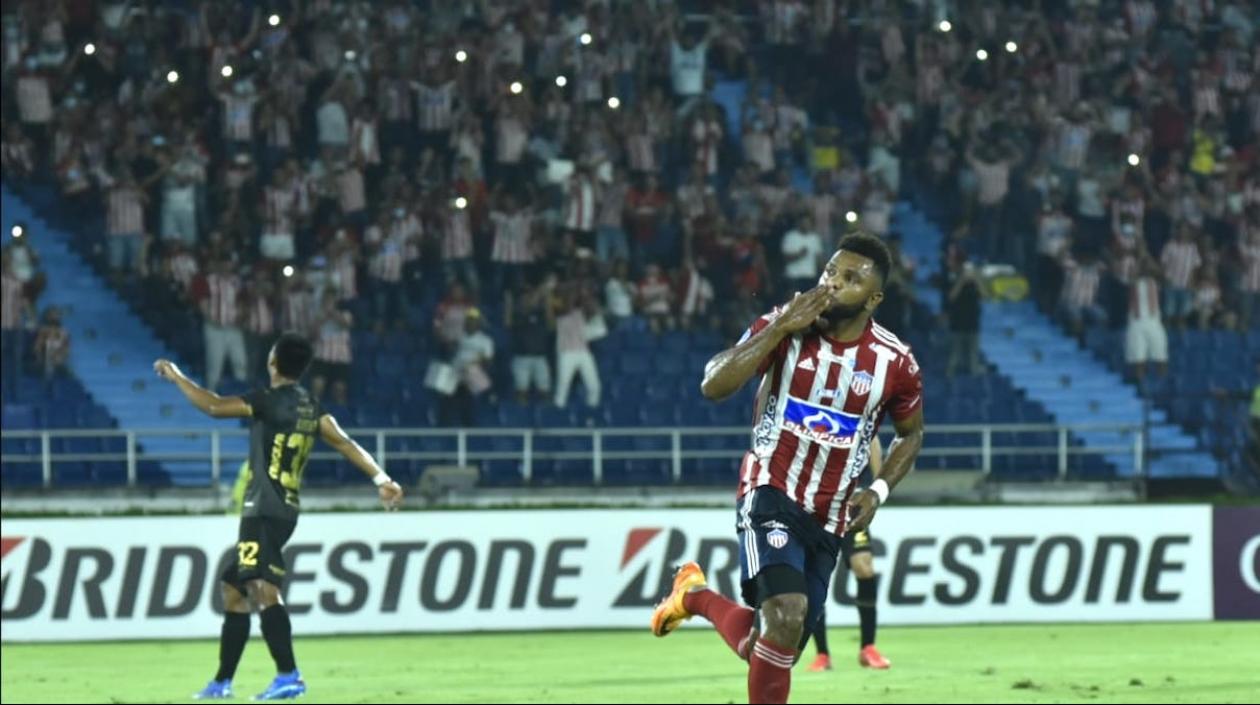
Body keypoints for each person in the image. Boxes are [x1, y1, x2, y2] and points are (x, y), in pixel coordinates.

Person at [650, 233, 924, 705]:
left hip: (833, 514)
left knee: (771, 645)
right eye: (830, 272)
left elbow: (910, 433)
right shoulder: (783, 324)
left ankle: (693, 595)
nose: (834, 284)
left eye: (851, 279)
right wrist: (777, 330)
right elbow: (713, 384)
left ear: (874, 298)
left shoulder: (894, 362)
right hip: (771, 491)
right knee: (787, 612)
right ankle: (697, 596)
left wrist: (877, 490)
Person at [154, 333, 403, 701]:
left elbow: (214, 406)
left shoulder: (267, 402)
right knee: (234, 588)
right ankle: (222, 683)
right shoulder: (311, 407)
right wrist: (382, 479)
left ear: (273, 363)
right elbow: (345, 442)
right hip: (285, 508)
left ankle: (288, 675)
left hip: (264, 509)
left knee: (262, 589)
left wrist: (176, 376)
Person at [804, 436, 891, 671]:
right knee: (814, 576)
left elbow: (872, 439)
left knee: (864, 566)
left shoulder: (855, 409)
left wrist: (877, 486)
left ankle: (868, 648)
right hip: (816, 505)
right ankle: (822, 654)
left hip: (850, 504)